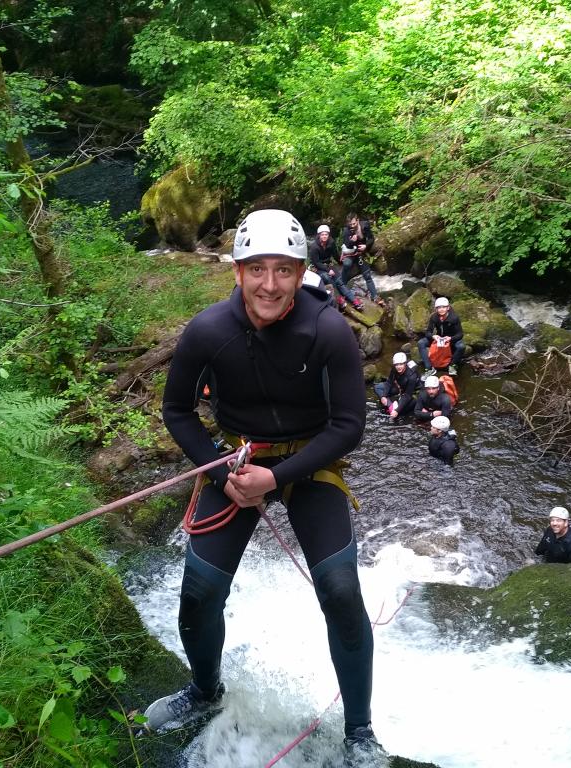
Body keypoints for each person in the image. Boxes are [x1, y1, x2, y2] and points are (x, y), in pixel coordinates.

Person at [149, 208, 386, 765]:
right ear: (237, 271)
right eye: (258, 269)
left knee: (342, 593)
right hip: (235, 462)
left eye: (285, 270)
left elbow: (349, 425)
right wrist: (219, 471)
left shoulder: (327, 330)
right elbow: (177, 409)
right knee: (200, 590)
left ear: (302, 271)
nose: (270, 285)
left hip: (307, 465)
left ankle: (360, 732)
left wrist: (275, 477)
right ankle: (204, 691)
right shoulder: (209, 331)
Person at [308, 223, 361, 310]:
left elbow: (335, 255)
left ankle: (353, 300)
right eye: (323, 234)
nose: (325, 236)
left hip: (328, 265)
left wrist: (341, 261)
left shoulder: (331, 242)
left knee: (339, 281)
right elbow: (316, 262)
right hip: (317, 268)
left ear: (328, 235)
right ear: (319, 235)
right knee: (327, 278)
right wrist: (328, 270)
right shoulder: (314, 247)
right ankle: (339, 298)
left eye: (326, 234)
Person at [341, 212, 386, 309]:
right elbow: (346, 244)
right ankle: (342, 290)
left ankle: (375, 297)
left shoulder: (364, 225)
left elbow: (371, 238)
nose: (352, 226)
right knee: (347, 264)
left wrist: (366, 246)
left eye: (354, 223)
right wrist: (351, 241)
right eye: (350, 224)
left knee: (367, 275)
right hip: (351, 253)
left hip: (361, 253)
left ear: (357, 220)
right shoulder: (346, 231)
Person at [417, 296, 466, 377]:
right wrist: (433, 336)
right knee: (421, 343)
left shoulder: (454, 318)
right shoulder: (434, 317)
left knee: (461, 346)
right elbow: (428, 332)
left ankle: (452, 366)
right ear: (436, 309)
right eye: (439, 307)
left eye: (444, 307)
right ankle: (429, 368)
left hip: (451, 339)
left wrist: (451, 338)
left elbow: (460, 334)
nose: (441, 309)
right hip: (439, 338)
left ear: (448, 308)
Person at [374, 351, 420, 423]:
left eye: (401, 364)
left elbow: (407, 395)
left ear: (405, 364)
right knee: (378, 387)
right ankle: (390, 405)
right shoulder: (394, 369)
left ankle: (393, 407)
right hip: (400, 387)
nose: (398, 367)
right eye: (396, 365)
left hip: (412, 393)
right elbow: (389, 382)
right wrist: (383, 396)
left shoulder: (412, 376)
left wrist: (397, 410)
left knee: (400, 413)